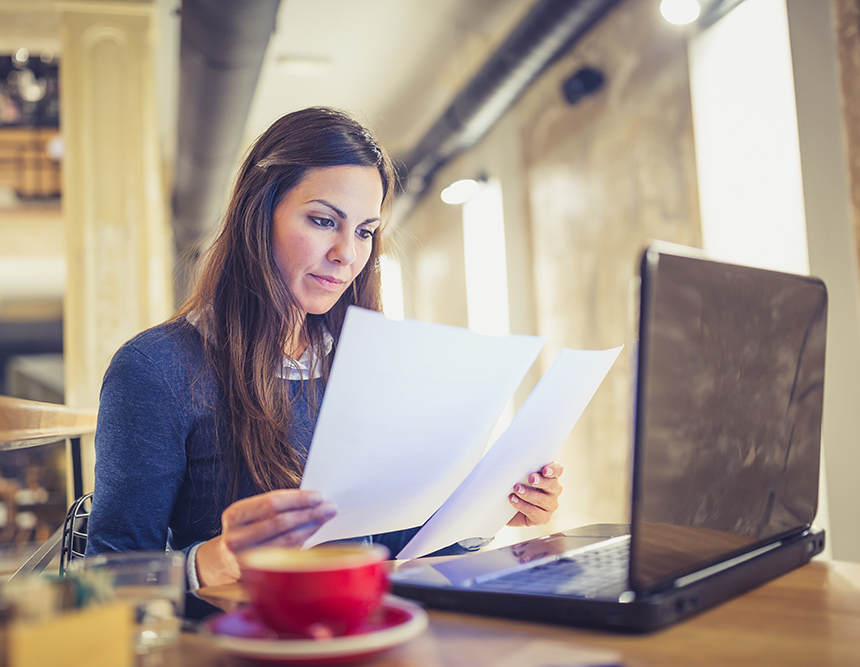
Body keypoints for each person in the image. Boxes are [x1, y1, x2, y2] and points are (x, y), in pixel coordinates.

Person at [86, 107, 562, 588]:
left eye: (364, 231)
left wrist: (489, 511)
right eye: (322, 220)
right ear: (258, 214)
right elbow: (111, 577)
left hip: (359, 630)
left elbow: (391, 542)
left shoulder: (367, 362)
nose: (348, 254)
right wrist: (221, 557)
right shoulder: (155, 368)